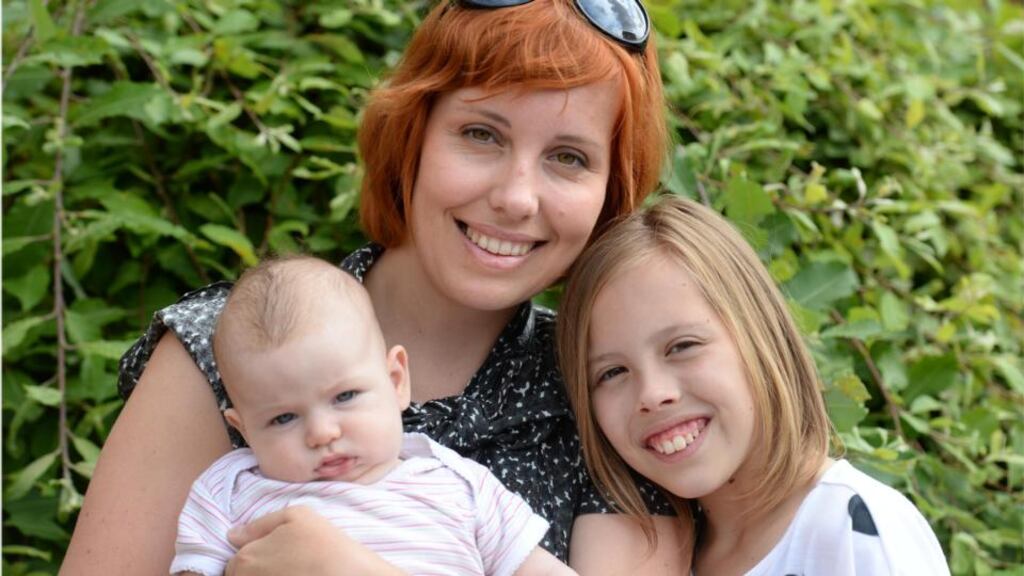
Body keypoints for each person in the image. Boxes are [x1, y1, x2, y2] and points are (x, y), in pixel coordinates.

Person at [61, 1, 689, 574]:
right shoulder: (222, 349)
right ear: (412, 136)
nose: (516, 197)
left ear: (611, 189)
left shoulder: (608, 389)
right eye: (481, 134)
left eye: (569, 157)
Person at [557, 196, 950, 575]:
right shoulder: (652, 556)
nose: (652, 394)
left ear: (759, 335)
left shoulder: (852, 532)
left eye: (682, 346)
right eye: (611, 373)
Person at [173, 256, 570, 576]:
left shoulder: (463, 486)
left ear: (396, 379)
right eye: (282, 419)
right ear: (243, 428)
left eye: (344, 396)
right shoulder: (228, 490)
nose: (322, 433)